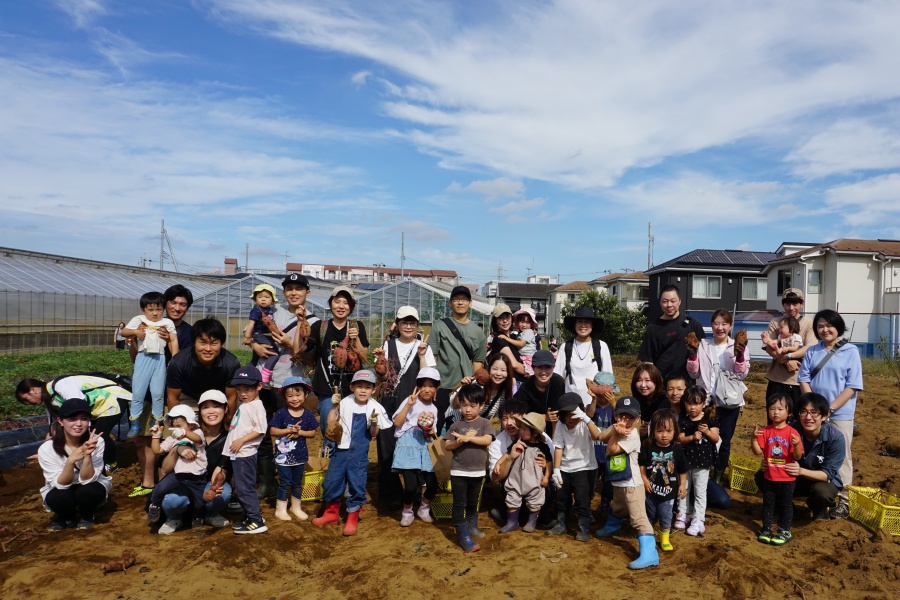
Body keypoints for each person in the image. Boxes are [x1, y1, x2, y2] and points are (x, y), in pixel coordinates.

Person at [250, 273, 321, 499]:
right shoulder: (272, 311)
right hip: (263, 383)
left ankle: (290, 482)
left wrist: (291, 345)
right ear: (283, 292)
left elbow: (312, 361)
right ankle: (267, 482)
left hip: (289, 386)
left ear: (307, 293)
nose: (293, 293)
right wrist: (254, 345)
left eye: (298, 289)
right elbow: (253, 333)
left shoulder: (314, 323)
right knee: (261, 432)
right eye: (289, 288)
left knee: (290, 434)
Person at [798, 309, 863, 519]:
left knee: (842, 456)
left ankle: (844, 500)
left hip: (840, 413)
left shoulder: (850, 351)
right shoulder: (812, 351)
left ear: (838, 327)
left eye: (829, 325)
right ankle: (820, 497)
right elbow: (804, 379)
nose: (824, 330)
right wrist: (813, 409)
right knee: (813, 451)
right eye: (820, 326)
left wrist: (829, 409)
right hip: (815, 414)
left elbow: (852, 386)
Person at [314, 370, 392, 536]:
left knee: (357, 484)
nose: (363, 390)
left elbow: (374, 434)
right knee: (332, 481)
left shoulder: (375, 407)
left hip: (359, 454)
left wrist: (373, 423)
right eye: (359, 386)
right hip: (340, 452)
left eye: (367, 387)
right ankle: (331, 513)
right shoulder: (345, 402)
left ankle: (352, 517)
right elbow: (330, 422)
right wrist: (334, 406)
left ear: (373, 389)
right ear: (352, 387)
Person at [372, 305, 436, 506]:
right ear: (397, 324)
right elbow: (381, 377)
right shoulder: (387, 345)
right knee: (386, 446)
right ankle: (390, 495)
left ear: (417, 325)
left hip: (413, 403)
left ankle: (413, 492)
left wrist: (422, 355)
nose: (408, 326)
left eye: (412, 323)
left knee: (414, 445)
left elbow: (427, 377)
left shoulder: (423, 346)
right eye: (404, 322)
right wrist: (380, 362)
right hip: (388, 402)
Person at [593, 396, 658, 570]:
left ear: (638, 419)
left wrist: (615, 433)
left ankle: (650, 553)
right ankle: (612, 526)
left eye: (630, 417)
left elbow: (611, 449)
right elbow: (601, 436)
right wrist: (614, 429)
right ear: (615, 416)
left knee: (638, 518)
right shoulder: (617, 428)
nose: (626, 420)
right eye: (621, 416)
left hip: (632, 483)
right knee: (619, 508)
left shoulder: (633, 436)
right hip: (619, 481)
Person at [16, 374, 129, 471]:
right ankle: (92, 460)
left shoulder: (60, 385)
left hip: (111, 400)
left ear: (33, 390)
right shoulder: (49, 401)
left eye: (26, 399)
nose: (29, 403)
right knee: (87, 433)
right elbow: (54, 429)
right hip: (95, 408)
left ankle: (111, 463)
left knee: (99, 434)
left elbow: (78, 405)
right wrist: (45, 453)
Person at [686, 308, 749, 480]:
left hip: (729, 401)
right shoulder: (703, 345)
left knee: (725, 440)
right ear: (711, 325)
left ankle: (718, 475)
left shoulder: (737, 344)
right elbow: (693, 373)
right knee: (702, 436)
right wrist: (692, 356)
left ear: (730, 326)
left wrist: (740, 356)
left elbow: (742, 374)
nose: (720, 328)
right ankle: (702, 473)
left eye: (724, 324)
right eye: (716, 323)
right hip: (706, 401)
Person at [158, 390, 233, 534]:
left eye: (216, 406)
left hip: (206, 484)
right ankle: (174, 517)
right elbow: (164, 469)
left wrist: (214, 486)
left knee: (223, 493)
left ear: (225, 409)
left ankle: (210, 514)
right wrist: (178, 449)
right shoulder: (184, 432)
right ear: (200, 412)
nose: (211, 411)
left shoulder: (230, 437)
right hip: (183, 482)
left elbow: (223, 467)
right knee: (173, 501)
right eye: (205, 407)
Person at [303, 285, 369, 442]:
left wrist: (356, 339)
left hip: (353, 390)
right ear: (331, 303)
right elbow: (306, 352)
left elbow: (364, 356)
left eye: (346, 303)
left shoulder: (357, 326)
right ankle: (330, 457)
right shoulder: (320, 327)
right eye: (337, 301)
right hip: (327, 390)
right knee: (331, 433)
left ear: (351, 306)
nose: (341, 306)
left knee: (352, 434)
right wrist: (301, 322)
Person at [37, 399, 110, 531]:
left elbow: (88, 480)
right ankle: (66, 516)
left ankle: (87, 515)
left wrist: (87, 455)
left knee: (90, 491)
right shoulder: (47, 448)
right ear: (60, 421)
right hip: (62, 486)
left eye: (84, 419)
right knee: (58, 497)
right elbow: (60, 485)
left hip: (88, 484)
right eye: (72, 419)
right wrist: (70, 461)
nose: (79, 424)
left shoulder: (97, 441)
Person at [771, 392, 846, 520]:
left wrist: (800, 471)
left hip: (821, 482)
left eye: (814, 412)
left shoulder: (835, 438)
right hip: (795, 478)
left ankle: (819, 507)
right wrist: (770, 463)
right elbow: (777, 455)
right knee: (764, 476)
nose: (808, 417)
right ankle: (785, 506)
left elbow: (827, 474)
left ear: (824, 416)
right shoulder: (790, 430)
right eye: (804, 412)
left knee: (822, 493)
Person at [428, 286, 487, 435]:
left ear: (470, 303)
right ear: (450, 303)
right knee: (435, 430)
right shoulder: (439, 326)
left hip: (464, 389)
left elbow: (478, 363)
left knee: (462, 431)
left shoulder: (478, 332)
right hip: (443, 387)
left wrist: (475, 388)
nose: (460, 302)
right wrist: (433, 385)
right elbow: (432, 358)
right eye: (456, 299)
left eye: (464, 299)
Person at [443, 383, 494, 552]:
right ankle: (463, 536)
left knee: (473, 501)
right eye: (464, 405)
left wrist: (468, 438)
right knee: (459, 503)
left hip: (478, 472)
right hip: (458, 471)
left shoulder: (484, 423)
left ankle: (472, 527)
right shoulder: (455, 425)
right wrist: (460, 440)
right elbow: (447, 446)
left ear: (481, 405)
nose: (468, 410)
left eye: (472, 406)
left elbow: (487, 440)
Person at [489, 399, 555, 528]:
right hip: (514, 485)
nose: (509, 423)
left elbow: (552, 466)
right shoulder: (498, 442)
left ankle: (539, 516)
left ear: (524, 417)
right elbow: (495, 479)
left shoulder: (544, 440)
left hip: (536, 484)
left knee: (546, 490)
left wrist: (544, 469)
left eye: (514, 418)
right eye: (505, 418)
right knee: (508, 491)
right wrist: (509, 459)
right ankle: (511, 516)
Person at [120, 291, 178, 438]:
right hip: (142, 357)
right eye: (150, 309)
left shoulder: (167, 323)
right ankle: (135, 423)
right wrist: (136, 332)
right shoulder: (139, 320)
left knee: (158, 393)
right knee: (138, 392)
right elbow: (123, 332)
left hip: (160, 359)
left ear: (163, 309)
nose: (155, 313)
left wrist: (175, 359)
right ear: (143, 309)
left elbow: (173, 340)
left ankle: (156, 422)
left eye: (158, 309)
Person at [547, 392, 602, 542]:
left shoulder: (585, 424)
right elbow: (558, 447)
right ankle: (561, 524)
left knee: (582, 500)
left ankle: (583, 528)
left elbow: (597, 436)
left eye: (574, 414)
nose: (571, 419)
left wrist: (586, 418)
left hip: (585, 467)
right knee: (561, 498)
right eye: (567, 415)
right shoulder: (560, 426)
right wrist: (556, 470)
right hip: (565, 467)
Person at [391, 367, 441, 526]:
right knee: (411, 486)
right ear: (418, 386)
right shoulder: (410, 401)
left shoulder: (434, 409)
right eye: (423, 385)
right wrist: (408, 405)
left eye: (431, 386)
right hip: (409, 444)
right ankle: (407, 511)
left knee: (433, 484)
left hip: (425, 445)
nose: (427, 389)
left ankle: (424, 508)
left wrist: (432, 432)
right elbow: (397, 423)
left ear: (436, 389)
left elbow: (434, 433)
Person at [752, 393, 803, 545]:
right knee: (768, 503)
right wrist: (753, 438)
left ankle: (784, 530)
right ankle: (766, 529)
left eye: (780, 409)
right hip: (770, 476)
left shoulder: (792, 433)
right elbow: (757, 451)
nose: (775, 412)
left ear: (789, 412)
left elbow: (797, 456)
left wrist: (796, 445)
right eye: (772, 408)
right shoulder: (765, 431)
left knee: (786, 504)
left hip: (787, 477)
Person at [146, 406, 207, 532]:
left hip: (197, 475)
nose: (176, 430)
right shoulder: (172, 439)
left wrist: (184, 433)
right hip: (178, 474)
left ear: (191, 424)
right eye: (174, 427)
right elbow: (157, 450)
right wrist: (156, 437)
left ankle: (198, 517)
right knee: (160, 488)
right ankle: (155, 505)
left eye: (180, 426)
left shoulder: (197, 433)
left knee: (199, 501)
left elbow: (198, 439)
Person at [224, 366, 269, 534]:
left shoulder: (256, 406)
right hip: (239, 453)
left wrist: (241, 440)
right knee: (243, 487)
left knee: (244, 489)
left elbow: (261, 429)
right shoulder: (246, 404)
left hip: (245, 453)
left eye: (247, 389)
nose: (243, 393)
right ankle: (252, 516)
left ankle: (256, 520)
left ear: (259, 386)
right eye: (239, 389)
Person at [268, 376, 318, 522]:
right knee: (284, 482)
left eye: (298, 395)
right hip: (283, 456)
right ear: (284, 397)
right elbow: (272, 431)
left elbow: (313, 433)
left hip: (299, 455)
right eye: (290, 396)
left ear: (305, 395)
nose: (294, 399)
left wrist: (300, 433)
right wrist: (288, 430)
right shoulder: (281, 413)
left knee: (297, 482)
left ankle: (296, 507)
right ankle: (280, 509)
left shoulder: (308, 414)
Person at [638, 409, 686, 553]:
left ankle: (664, 538)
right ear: (653, 431)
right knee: (649, 514)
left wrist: (683, 485)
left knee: (666, 515)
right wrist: (644, 479)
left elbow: (682, 469)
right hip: (650, 490)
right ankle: (649, 536)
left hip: (669, 492)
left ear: (675, 431)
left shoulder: (676, 449)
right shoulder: (647, 446)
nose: (664, 435)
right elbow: (642, 465)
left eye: (668, 431)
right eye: (659, 431)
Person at [638, 284, 705, 382]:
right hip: (662, 384)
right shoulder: (653, 328)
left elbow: (704, 355)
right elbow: (648, 361)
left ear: (679, 301)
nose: (669, 305)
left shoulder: (693, 324)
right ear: (660, 302)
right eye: (665, 301)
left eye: (673, 301)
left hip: (687, 384)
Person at [675, 387, 719, 536]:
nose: (692, 407)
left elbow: (716, 438)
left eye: (696, 404)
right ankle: (682, 513)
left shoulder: (710, 419)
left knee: (700, 491)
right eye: (689, 403)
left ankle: (699, 519)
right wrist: (692, 438)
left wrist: (707, 431)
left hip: (703, 462)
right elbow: (680, 440)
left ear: (703, 404)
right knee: (684, 487)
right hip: (686, 460)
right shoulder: (683, 420)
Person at [761, 289, 817, 405]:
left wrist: (788, 356)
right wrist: (786, 361)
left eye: (795, 304)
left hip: (799, 380)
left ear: (802, 304)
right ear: (783, 305)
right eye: (787, 304)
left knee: (798, 415)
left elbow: (810, 347)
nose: (791, 308)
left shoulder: (808, 323)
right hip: (777, 379)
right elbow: (769, 347)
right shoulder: (776, 322)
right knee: (775, 414)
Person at [554, 307, 612, 407]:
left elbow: (608, 378)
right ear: (574, 324)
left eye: (587, 322)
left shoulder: (601, 346)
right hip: (571, 404)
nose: (583, 325)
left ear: (592, 325)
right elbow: (558, 377)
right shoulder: (566, 347)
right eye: (579, 321)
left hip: (594, 403)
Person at [513, 349, 566, 434]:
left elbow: (555, 418)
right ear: (533, 368)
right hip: (531, 428)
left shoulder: (558, 383)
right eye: (539, 367)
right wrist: (544, 417)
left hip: (555, 429)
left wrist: (554, 441)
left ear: (553, 368)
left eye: (548, 367)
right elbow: (517, 413)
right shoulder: (526, 386)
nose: (543, 372)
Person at [242, 283, 281, 387]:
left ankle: (246, 374)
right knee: (274, 355)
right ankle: (265, 376)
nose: (263, 299)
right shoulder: (257, 310)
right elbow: (251, 323)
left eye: (267, 297)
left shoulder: (268, 310)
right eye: (260, 297)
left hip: (263, 335)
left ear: (272, 300)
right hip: (259, 335)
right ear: (255, 299)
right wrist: (248, 337)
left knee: (255, 358)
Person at [630, 363, 669, 440]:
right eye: (639, 380)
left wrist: (650, 428)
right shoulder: (640, 399)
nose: (643, 385)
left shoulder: (665, 400)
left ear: (656, 381)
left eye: (647, 380)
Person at [487, 303, 525, 377]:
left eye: (507, 317)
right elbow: (514, 365)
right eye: (501, 318)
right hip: (510, 380)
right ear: (495, 321)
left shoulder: (514, 337)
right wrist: (531, 372)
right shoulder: (499, 339)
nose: (505, 321)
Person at [480, 353, 516, 419]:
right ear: (489, 369)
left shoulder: (506, 390)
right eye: (495, 369)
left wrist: (514, 386)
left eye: (503, 370)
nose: (498, 373)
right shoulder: (479, 385)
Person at [513, 307, 539, 376]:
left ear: (531, 324)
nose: (524, 325)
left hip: (528, 357)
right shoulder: (522, 333)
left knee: (530, 374)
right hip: (525, 357)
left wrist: (506, 339)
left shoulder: (528, 331)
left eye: (527, 322)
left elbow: (521, 344)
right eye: (522, 322)